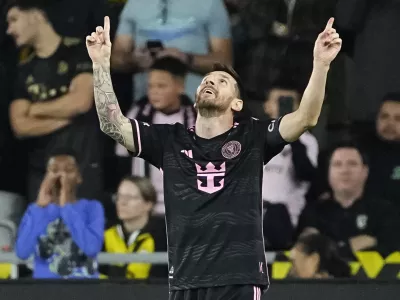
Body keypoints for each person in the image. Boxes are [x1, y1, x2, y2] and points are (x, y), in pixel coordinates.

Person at [86, 16, 341, 299]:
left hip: (239, 279)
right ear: (196, 97)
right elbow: (112, 125)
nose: (212, 82)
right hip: (185, 281)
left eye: (222, 81)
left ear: (237, 102)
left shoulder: (253, 136)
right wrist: (100, 65)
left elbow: (305, 118)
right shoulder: (169, 140)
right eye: (207, 80)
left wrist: (321, 64)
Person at [7, 0, 104, 202]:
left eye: (14, 20)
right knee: (43, 232)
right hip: (41, 169)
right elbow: (20, 126)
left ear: (37, 15)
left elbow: (81, 102)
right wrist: (67, 117)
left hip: (82, 166)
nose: (9, 30)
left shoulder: (80, 51)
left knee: (80, 231)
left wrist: (34, 110)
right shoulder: (24, 68)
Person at [115, 56, 196, 215]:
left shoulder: (196, 118)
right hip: (142, 208)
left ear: (180, 86)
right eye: (151, 86)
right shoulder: (137, 115)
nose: (154, 92)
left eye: (161, 86)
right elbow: (121, 157)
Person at [111, 0, 232, 100]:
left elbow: (226, 63)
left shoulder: (211, 3)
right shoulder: (134, 3)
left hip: (198, 109)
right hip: (146, 110)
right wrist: (134, 60)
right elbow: (115, 60)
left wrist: (185, 58)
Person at [297, 142, 400, 257]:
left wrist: (330, 247)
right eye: (337, 164)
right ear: (328, 172)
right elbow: (305, 252)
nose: (345, 171)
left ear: (365, 171)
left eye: (352, 164)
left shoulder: (385, 212)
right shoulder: (313, 212)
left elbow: (391, 248)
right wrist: (351, 246)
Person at [15, 148, 104, 279]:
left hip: (84, 288)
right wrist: (39, 207)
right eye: (54, 170)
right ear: (46, 177)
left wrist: (66, 207)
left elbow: (91, 248)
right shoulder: (35, 210)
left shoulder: (92, 208)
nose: (61, 175)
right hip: (45, 289)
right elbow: (22, 252)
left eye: (68, 170)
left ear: (79, 177)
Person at [102, 176, 167, 279]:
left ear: (148, 204)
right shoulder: (106, 233)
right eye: (119, 197)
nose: (122, 203)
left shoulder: (164, 237)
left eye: (129, 198)